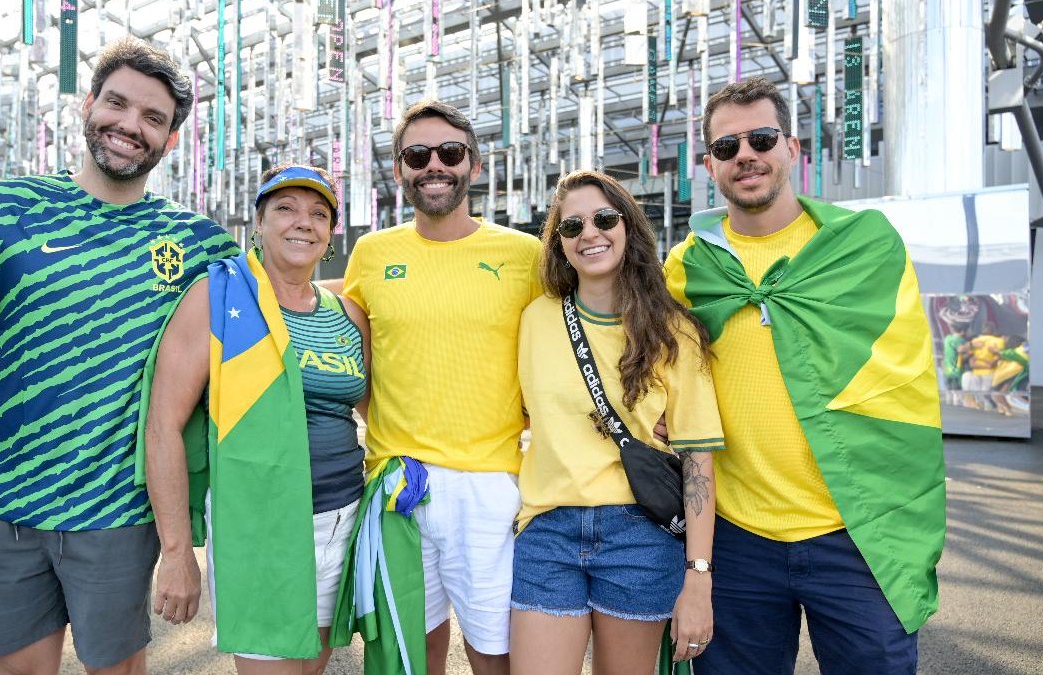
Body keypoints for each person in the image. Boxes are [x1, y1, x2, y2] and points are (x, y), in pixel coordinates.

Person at [0, 37, 240, 674]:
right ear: (88, 105)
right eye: (116, 104)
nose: (129, 126)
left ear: (171, 139)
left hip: (117, 513)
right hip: (8, 505)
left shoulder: (197, 242)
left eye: (152, 118)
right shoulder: (6, 210)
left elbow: (280, 304)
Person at [663, 77, 946, 674]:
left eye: (761, 138)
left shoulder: (860, 247)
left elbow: (905, 374)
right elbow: (658, 372)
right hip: (736, 539)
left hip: (856, 531)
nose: (745, 155)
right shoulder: (689, 267)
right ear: (709, 165)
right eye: (726, 147)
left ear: (792, 148)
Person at [142, 164, 369, 675]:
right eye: (284, 209)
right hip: (260, 523)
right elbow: (162, 426)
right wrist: (176, 551)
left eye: (317, 213)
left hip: (344, 518)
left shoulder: (347, 313)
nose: (301, 222)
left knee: (312, 664)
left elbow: (376, 410)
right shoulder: (217, 298)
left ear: (331, 234)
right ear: (259, 224)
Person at [341, 99, 542, 675]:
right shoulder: (373, 253)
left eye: (450, 153)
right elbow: (359, 364)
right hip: (398, 481)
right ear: (400, 169)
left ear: (473, 166)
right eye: (417, 155)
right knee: (413, 649)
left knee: (493, 650)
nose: (435, 165)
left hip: (488, 485)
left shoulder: (522, 254)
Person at [510, 169, 722, 674]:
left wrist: (699, 577)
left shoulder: (675, 333)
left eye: (604, 218)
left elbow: (698, 463)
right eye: (572, 226)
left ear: (628, 226)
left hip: (640, 535)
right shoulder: (535, 318)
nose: (589, 233)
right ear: (558, 243)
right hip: (547, 529)